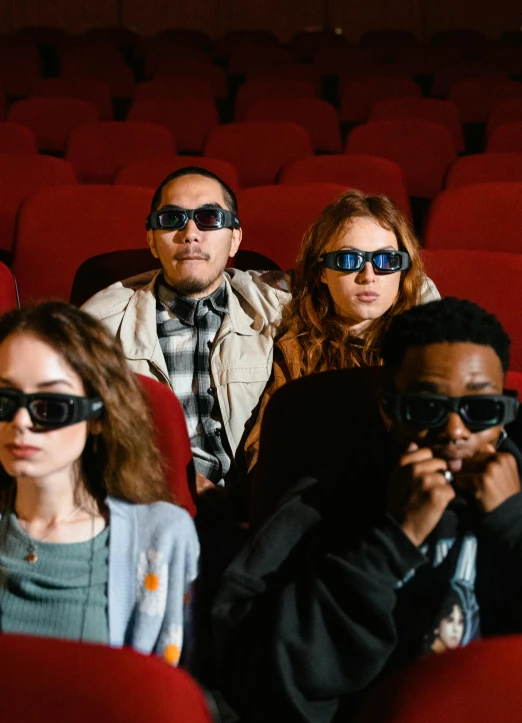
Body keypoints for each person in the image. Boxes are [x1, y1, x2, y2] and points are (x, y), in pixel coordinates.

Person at [213, 298, 522, 723]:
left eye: (481, 408)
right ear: (388, 411)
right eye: (426, 408)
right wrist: (391, 543)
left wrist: (511, 523)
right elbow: (258, 678)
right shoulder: (322, 503)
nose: (456, 431)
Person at [82, 165, 290, 514]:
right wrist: (167, 479)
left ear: (235, 238)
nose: (190, 233)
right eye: (171, 219)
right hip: (149, 508)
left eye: (209, 218)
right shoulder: (100, 325)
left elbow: (391, 289)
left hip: (258, 514)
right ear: (151, 239)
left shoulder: (279, 306)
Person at [0, 301, 199, 664]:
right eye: (3, 399)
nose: (21, 421)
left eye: (50, 404)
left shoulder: (161, 538)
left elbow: (170, 701)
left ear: (97, 416)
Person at [244, 190, 439, 472]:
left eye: (386, 261)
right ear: (322, 271)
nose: (368, 276)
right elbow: (264, 451)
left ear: (402, 270)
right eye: (349, 260)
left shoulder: (428, 349)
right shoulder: (296, 349)